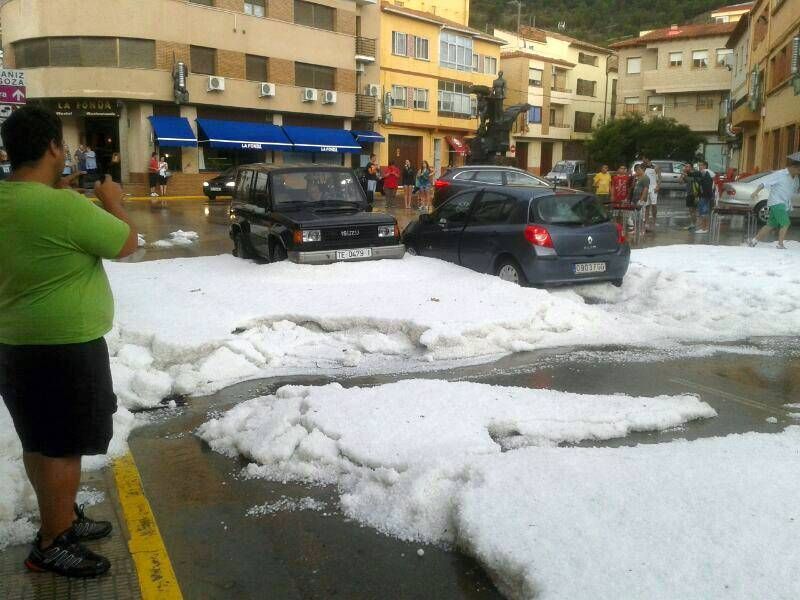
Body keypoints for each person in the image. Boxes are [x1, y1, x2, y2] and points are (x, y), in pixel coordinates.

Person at [0, 105, 139, 578]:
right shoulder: (65, 207)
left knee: (39, 442)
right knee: (62, 448)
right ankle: (52, 543)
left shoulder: (9, 200)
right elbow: (125, 243)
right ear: (55, 147)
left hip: (15, 345)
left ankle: (58, 521)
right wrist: (113, 199)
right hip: (64, 348)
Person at [749, 152, 800, 249]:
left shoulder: (796, 178)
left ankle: (754, 241)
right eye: (799, 170)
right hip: (777, 202)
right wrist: (756, 192)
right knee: (786, 223)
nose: (799, 173)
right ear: (794, 167)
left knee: (770, 225)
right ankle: (780, 244)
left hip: (785, 204)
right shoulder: (780, 174)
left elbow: (796, 189)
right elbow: (765, 183)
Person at [641, 156, 660, 232]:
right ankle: (646, 222)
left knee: (654, 205)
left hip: (653, 187)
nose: (642, 160)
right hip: (646, 187)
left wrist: (658, 186)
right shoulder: (642, 166)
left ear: (647, 159)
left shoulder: (656, 166)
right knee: (647, 205)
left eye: (643, 158)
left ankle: (654, 221)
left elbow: (660, 177)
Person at [680, 163, 701, 230]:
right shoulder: (686, 175)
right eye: (685, 167)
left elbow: (697, 181)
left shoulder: (695, 174)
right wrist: (682, 175)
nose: (686, 168)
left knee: (694, 210)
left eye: (687, 167)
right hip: (689, 194)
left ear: (691, 168)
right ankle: (693, 223)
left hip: (695, 194)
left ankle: (694, 224)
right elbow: (680, 182)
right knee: (691, 210)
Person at [695, 161, 714, 234]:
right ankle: (703, 227)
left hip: (705, 196)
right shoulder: (703, 174)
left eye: (701, 165)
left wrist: (707, 195)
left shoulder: (707, 174)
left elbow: (707, 186)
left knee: (704, 212)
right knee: (702, 212)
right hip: (703, 195)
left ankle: (704, 228)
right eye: (699, 165)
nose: (699, 167)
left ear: (705, 166)